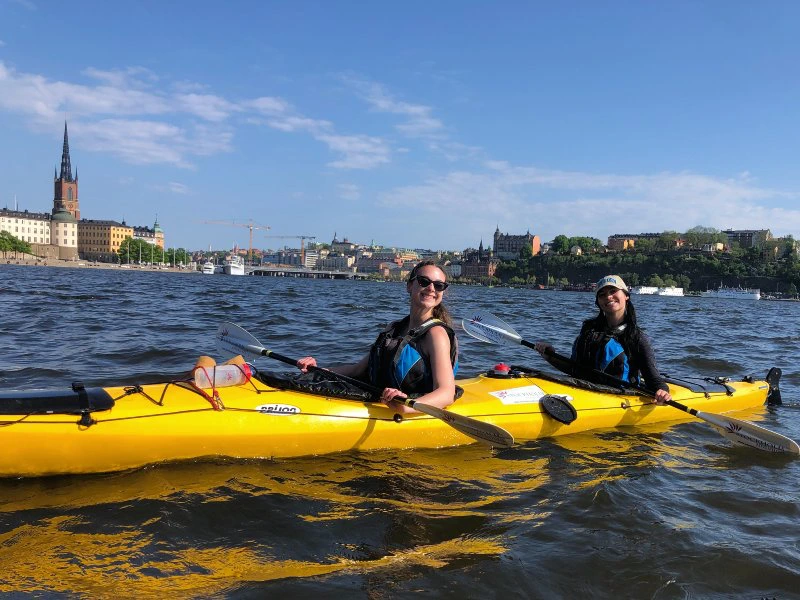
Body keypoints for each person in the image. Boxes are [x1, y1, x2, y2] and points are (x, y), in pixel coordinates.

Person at [296, 261, 459, 414]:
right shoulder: (394, 328)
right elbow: (358, 370)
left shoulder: (436, 334)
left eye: (438, 285)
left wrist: (406, 407)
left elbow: (446, 393)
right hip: (382, 401)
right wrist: (318, 371)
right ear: (409, 286)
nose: (431, 288)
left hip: (407, 409)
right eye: (424, 281)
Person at [534, 275, 672, 404]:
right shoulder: (589, 329)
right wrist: (550, 356)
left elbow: (655, 381)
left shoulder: (637, 338)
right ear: (598, 302)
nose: (608, 297)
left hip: (616, 400)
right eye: (602, 294)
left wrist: (662, 392)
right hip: (581, 392)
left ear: (626, 296)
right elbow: (574, 369)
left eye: (613, 291)